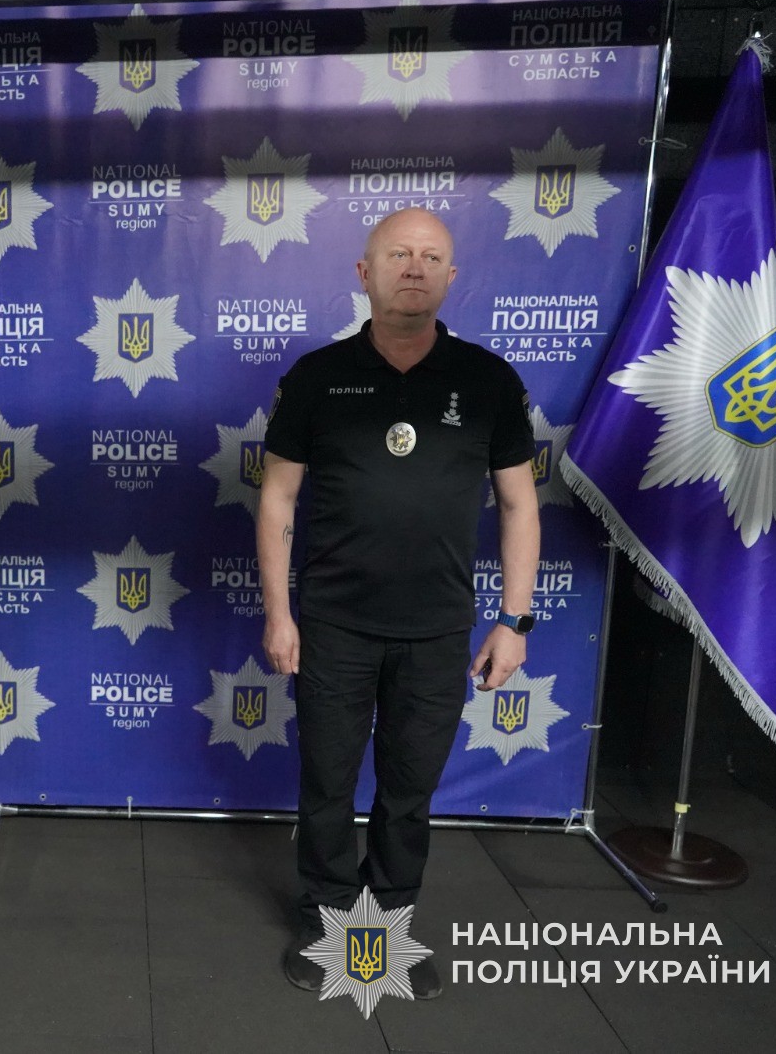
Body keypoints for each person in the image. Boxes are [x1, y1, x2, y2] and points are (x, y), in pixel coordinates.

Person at [256, 208, 539, 999]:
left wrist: (514, 621)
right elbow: (277, 499)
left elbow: (520, 505)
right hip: (335, 624)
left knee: (409, 792)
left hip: (438, 630)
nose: (414, 267)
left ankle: (383, 929)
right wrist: (280, 613)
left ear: (452, 276)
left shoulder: (488, 380)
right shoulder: (316, 377)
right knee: (327, 784)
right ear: (364, 272)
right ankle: (325, 926)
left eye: (431, 256)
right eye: (398, 254)